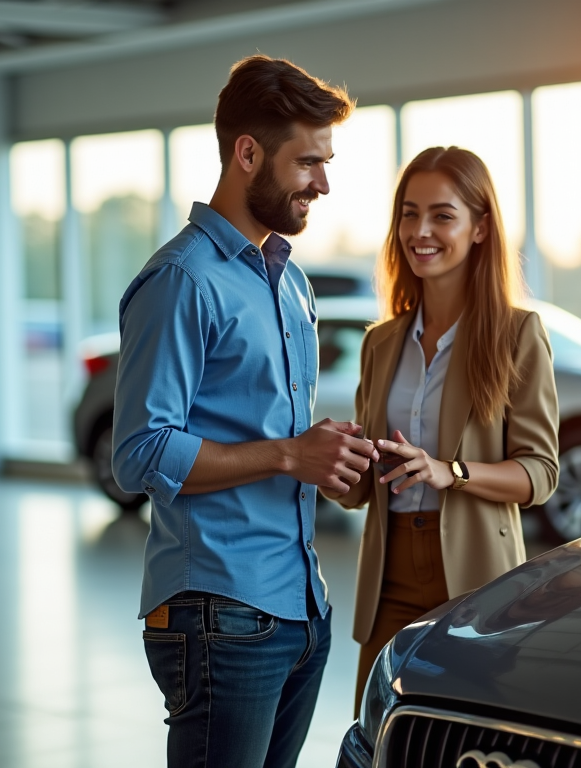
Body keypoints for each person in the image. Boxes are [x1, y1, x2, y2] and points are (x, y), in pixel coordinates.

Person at [112, 55, 376, 768]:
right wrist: (290, 454)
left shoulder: (290, 283)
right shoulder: (181, 280)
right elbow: (138, 453)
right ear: (248, 154)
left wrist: (336, 463)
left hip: (301, 607)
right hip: (219, 614)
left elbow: (279, 443)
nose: (323, 183)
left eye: (326, 163)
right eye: (308, 163)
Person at [322, 147, 560, 713]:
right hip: (389, 578)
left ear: (480, 228)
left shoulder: (517, 334)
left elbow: (540, 474)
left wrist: (449, 471)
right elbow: (362, 490)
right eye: (409, 214)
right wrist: (332, 467)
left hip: (479, 580)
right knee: (380, 733)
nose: (420, 231)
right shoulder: (380, 343)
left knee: (465, 733)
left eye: (441, 215)